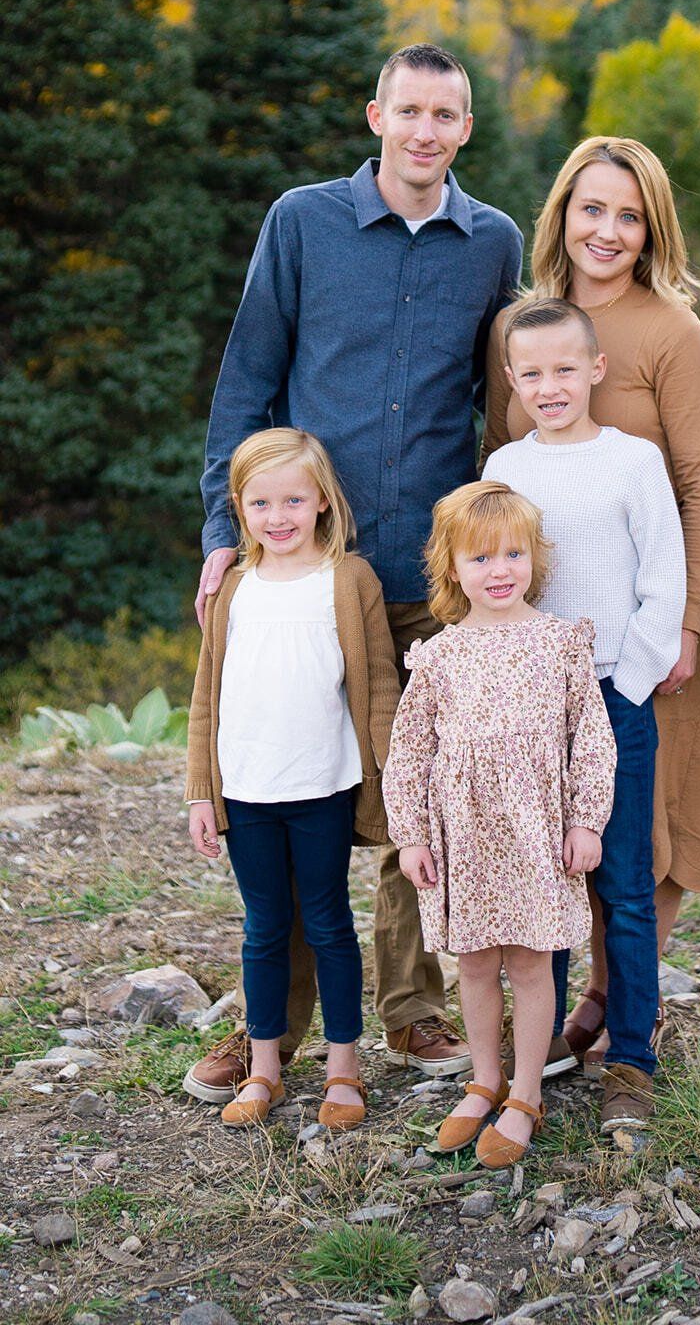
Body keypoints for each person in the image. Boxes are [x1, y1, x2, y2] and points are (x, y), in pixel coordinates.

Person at [183, 43, 523, 1103]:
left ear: (465, 129)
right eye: (408, 110)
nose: (425, 131)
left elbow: (501, 404)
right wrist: (223, 527)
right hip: (308, 573)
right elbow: (247, 380)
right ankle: (272, 1028)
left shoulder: (492, 242)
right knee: (288, 787)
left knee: (416, 789)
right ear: (377, 115)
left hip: (430, 573)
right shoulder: (303, 222)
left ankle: (413, 1007)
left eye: (445, 115)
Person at [483, 138, 700, 1072]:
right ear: (562, 214)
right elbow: (499, 485)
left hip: (646, 635)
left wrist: (684, 626)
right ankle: (576, 1004)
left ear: (652, 229)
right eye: (593, 209)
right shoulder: (524, 325)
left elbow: (699, 485)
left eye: (630, 215)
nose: (609, 231)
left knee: (644, 828)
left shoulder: (670, 331)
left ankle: (626, 1015)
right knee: (558, 827)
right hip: (540, 653)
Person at [483, 298, 686, 1132]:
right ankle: (543, 1052)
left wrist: (627, 686)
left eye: (565, 369)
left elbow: (663, 579)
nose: (550, 386)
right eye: (532, 373)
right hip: (530, 706)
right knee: (546, 881)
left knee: (624, 884)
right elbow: (493, 580)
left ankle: (630, 1055)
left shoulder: (632, 461)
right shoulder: (506, 469)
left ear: (595, 369)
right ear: (511, 380)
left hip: (613, 695)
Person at [382, 480, 616, 1165]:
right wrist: (411, 835)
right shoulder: (438, 655)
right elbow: (409, 752)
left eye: (512, 553)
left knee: (532, 961)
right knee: (477, 961)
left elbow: (591, 740)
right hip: (465, 832)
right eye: (480, 558)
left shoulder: (560, 643)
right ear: (452, 567)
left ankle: (525, 1091)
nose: (499, 570)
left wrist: (585, 821)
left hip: (536, 829)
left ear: (534, 558)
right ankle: (484, 1078)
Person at [186, 428, 400, 1130]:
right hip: (246, 790)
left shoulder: (349, 579)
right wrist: (200, 792)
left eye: (293, 501)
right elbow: (206, 696)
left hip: (321, 787)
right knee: (265, 929)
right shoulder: (232, 588)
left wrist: (394, 783)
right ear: (239, 509)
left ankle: (343, 1069)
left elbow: (378, 687)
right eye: (260, 504)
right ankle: (265, 1070)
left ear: (322, 502)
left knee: (330, 924)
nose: (277, 517)